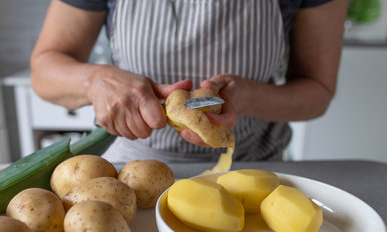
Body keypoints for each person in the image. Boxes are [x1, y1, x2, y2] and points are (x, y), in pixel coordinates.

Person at [30, 0, 347, 163]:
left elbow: (317, 90)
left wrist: (248, 96)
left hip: (253, 166)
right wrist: (94, 81)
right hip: (137, 166)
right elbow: (44, 70)